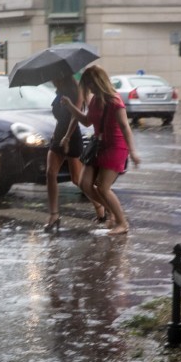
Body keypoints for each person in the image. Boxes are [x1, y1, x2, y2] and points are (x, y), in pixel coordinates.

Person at [61, 65, 140, 235]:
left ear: (98, 82)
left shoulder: (114, 100)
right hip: (98, 146)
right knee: (84, 183)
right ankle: (111, 210)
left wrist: (132, 152)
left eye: (90, 84)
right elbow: (87, 121)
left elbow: (125, 127)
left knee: (103, 187)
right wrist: (69, 106)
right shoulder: (96, 100)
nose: (89, 89)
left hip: (115, 147)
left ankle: (122, 223)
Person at [44, 74, 87, 233]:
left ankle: (103, 206)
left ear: (62, 75)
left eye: (54, 76)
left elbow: (75, 117)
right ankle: (54, 215)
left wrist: (67, 137)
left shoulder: (77, 92)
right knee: (50, 173)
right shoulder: (59, 92)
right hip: (59, 135)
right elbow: (60, 118)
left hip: (71, 135)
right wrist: (57, 135)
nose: (52, 79)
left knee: (78, 179)